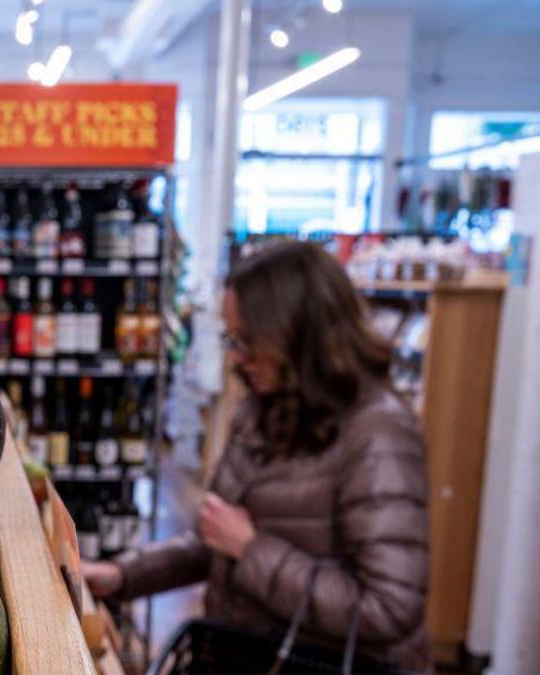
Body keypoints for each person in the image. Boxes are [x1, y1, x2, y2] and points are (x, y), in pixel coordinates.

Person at [83, 240, 430, 671]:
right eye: (232, 339)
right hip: (249, 653)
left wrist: (251, 549)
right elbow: (217, 537)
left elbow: (389, 608)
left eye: (247, 341)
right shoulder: (264, 409)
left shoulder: (377, 434)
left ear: (298, 335)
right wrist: (123, 575)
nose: (237, 359)